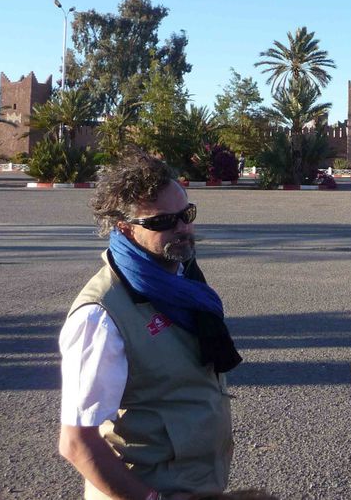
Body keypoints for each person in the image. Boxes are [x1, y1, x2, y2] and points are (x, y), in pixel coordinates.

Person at [59, 151, 242, 500]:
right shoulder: (100, 315)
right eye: (163, 222)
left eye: (186, 215)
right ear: (124, 228)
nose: (183, 228)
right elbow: (77, 442)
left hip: (197, 485)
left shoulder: (185, 282)